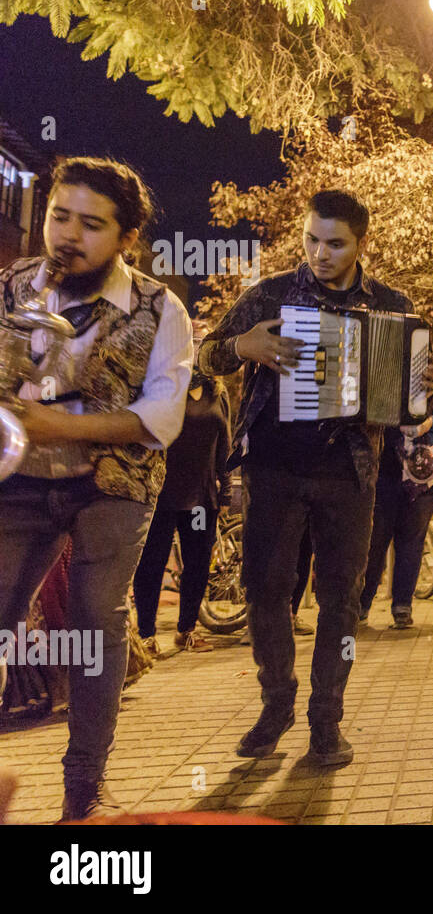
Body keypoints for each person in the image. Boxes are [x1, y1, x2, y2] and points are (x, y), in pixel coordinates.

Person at [197, 190, 433, 768]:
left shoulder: (393, 307)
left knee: (341, 601)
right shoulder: (272, 294)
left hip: (350, 474)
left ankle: (327, 719)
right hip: (273, 469)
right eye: (311, 239)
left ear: (361, 244)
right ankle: (276, 703)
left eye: (334, 243)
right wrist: (239, 345)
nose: (319, 253)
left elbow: (411, 405)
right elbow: (204, 356)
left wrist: (411, 391)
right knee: (266, 590)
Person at [0, 157, 193, 820]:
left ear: (126, 239)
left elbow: (162, 420)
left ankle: (83, 791)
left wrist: (58, 424)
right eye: (59, 216)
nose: (67, 236)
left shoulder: (160, 308)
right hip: (17, 477)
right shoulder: (10, 289)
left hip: (113, 480)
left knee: (94, 620)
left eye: (90, 224)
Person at [132, 322, 232, 656]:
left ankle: (186, 629)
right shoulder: (163, 387)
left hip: (201, 496)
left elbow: (225, 443)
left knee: (199, 563)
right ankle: (146, 633)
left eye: (202, 345)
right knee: (152, 563)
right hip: (162, 492)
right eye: (191, 344)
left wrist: (226, 486)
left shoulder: (219, 392)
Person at [359, 358, 433, 628]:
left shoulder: (431, 392)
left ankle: (402, 608)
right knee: (375, 543)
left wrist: (429, 423)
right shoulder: (382, 389)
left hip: (422, 481)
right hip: (386, 476)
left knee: (411, 544)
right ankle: (362, 607)